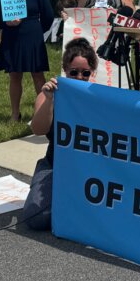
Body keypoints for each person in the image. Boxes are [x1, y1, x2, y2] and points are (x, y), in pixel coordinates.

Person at [24, 38, 98, 230]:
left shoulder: (98, 97)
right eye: (74, 72)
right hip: (55, 163)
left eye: (85, 73)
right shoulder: (49, 94)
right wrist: (50, 100)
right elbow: (38, 129)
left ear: (92, 73)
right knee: (37, 219)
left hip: (87, 167)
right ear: (65, 70)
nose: (80, 77)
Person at [0, 0, 55, 122]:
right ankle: (15, 113)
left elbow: (48, 17)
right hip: (12, 38)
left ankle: (42, 110)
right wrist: (7, 23)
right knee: (14, 76)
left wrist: (37, 30)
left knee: (38, 74)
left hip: (33, 38)